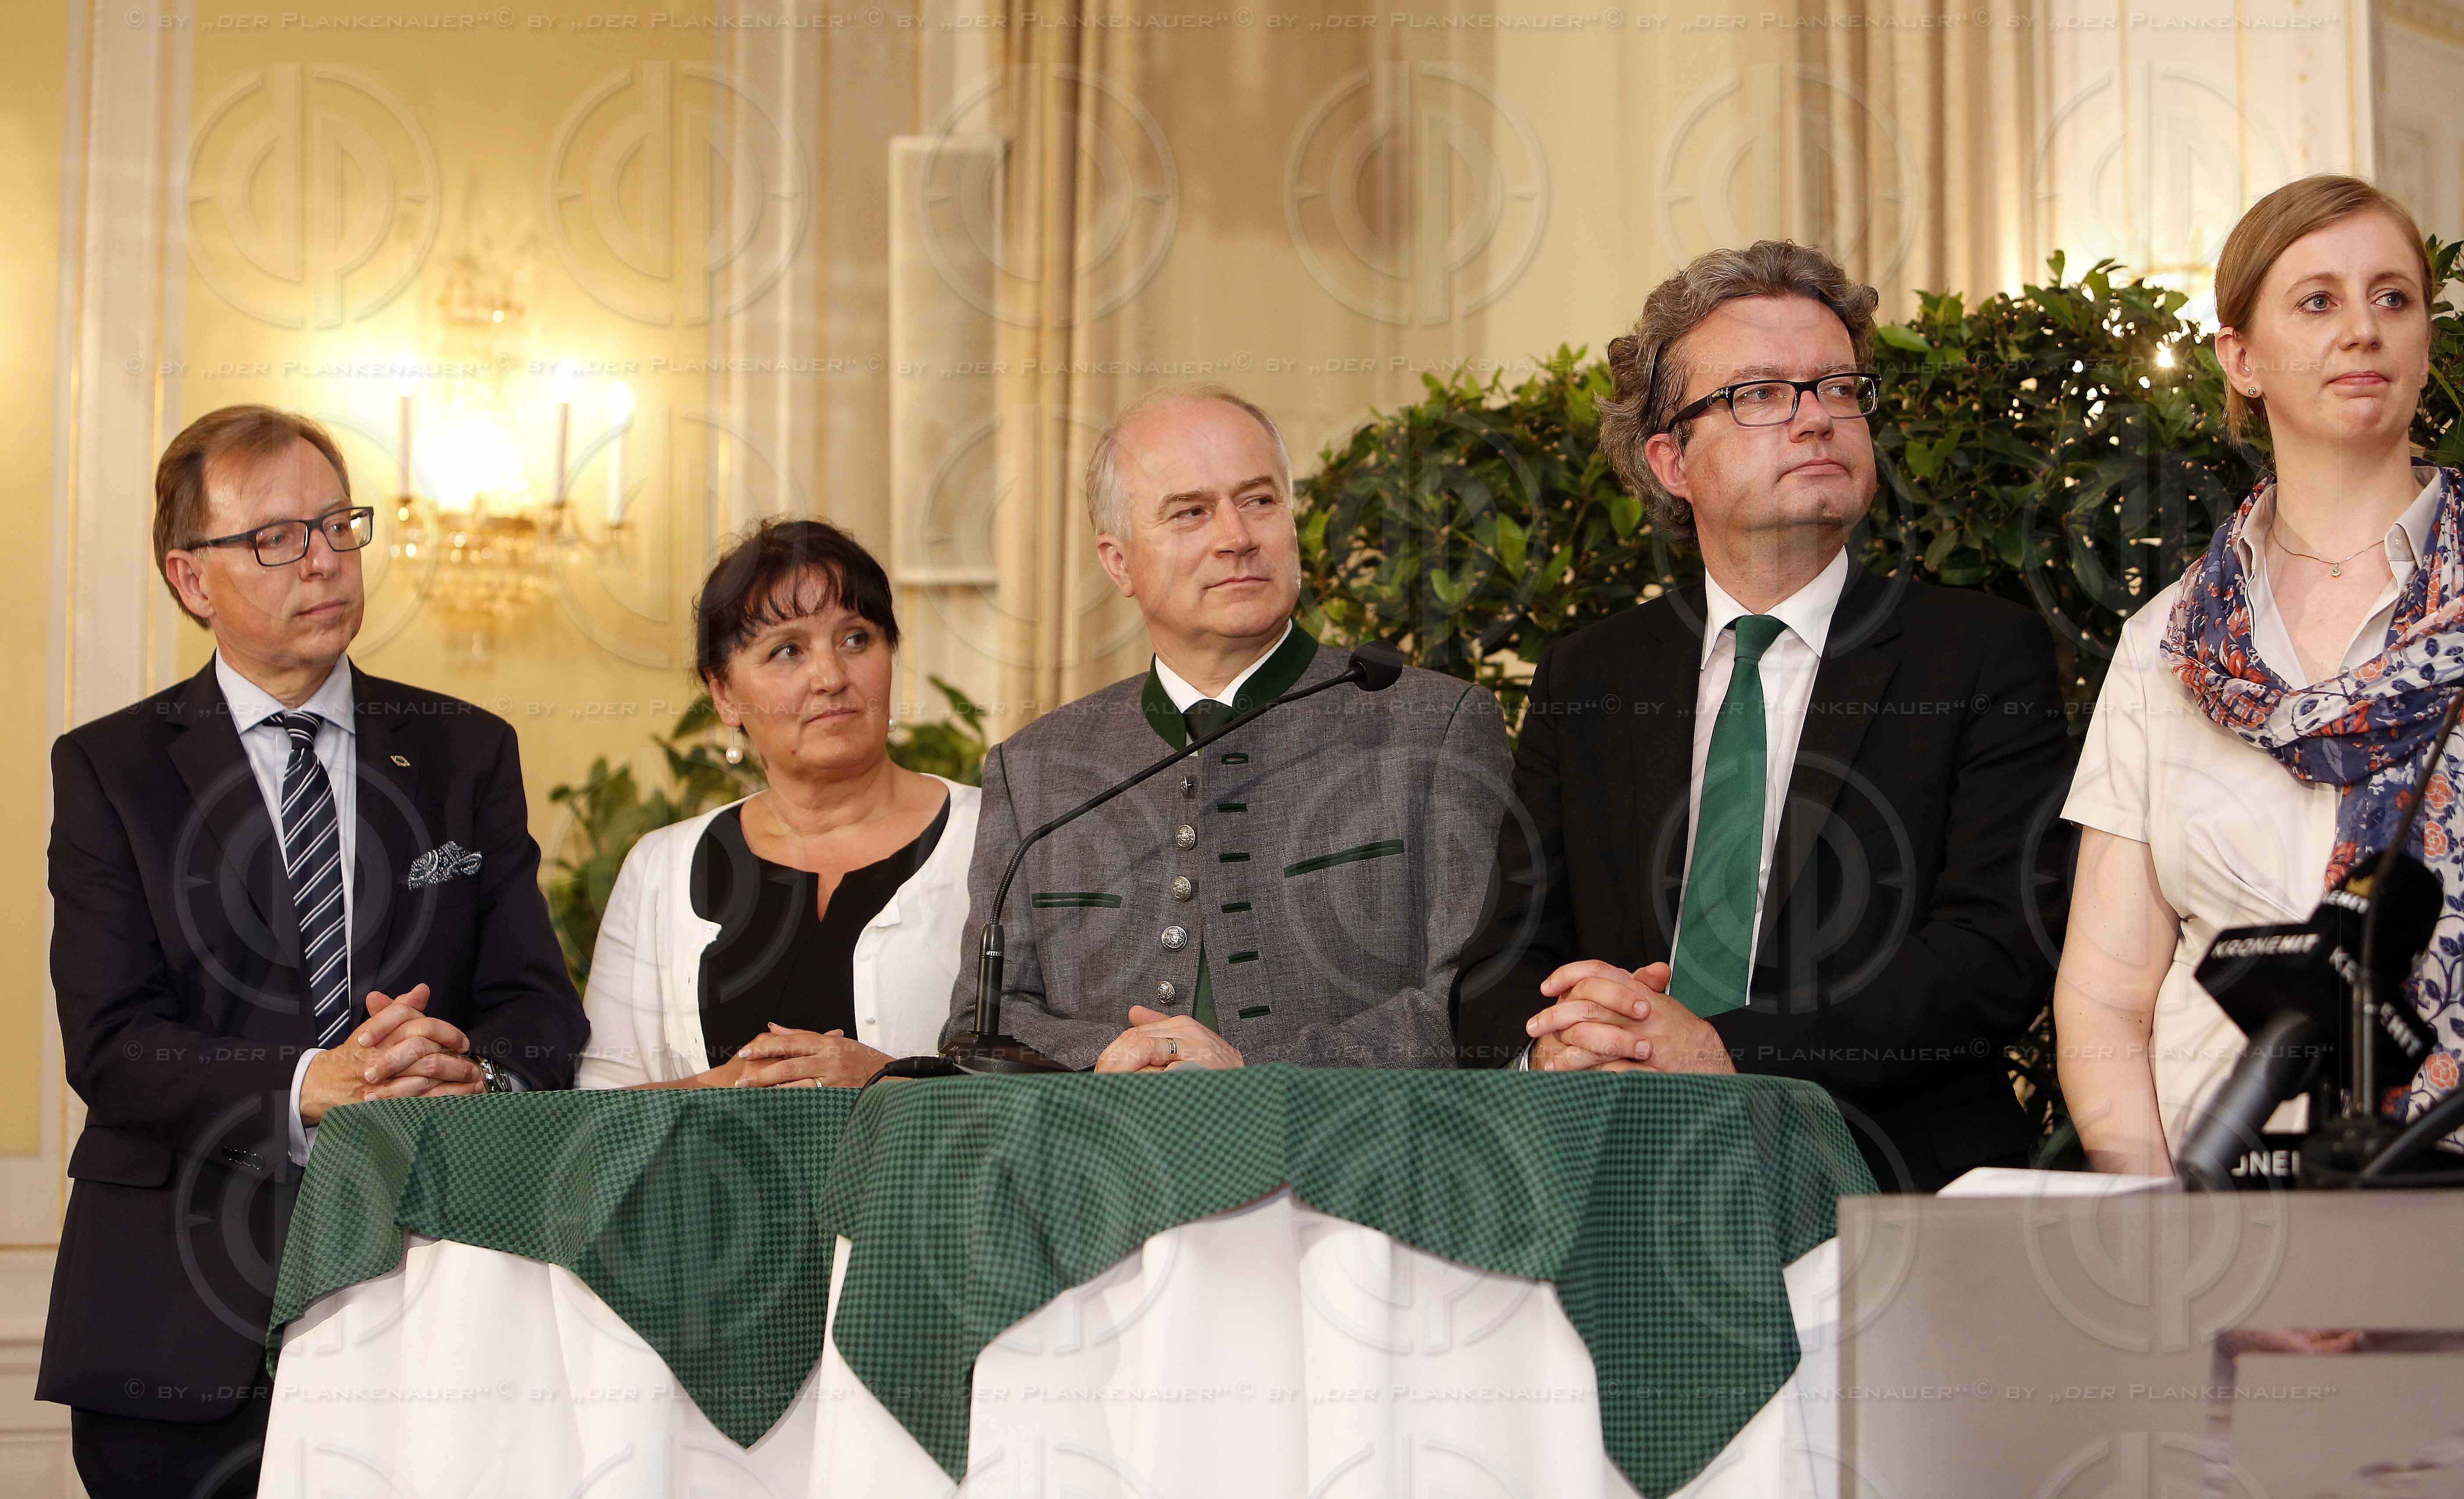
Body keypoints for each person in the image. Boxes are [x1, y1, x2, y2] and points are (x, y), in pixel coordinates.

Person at [42, 405, 589, 1498]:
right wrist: (308, 1084)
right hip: (182, 1318)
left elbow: (540, 1009)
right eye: (277, 538)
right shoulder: (112, 768)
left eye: (339, 524)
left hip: (437, 1306)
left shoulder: (466, 751)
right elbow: (111, 1042)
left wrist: (471, 1074)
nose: (326, 559)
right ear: (191, 578)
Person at [1451, 241, 2074, 1192]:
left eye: (1838, 388)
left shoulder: (1980, 653)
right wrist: (1556, 1046)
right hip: (1620, 1177)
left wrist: (1726, 1051)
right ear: (1671, 461)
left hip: (1889, 1180)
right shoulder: (1592, 674)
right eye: (1761, 394)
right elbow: (1508, 951)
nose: (1816, 417)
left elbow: (1995, 951)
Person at [2058, 176, 2464, 1174]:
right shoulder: (2168, 648)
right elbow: (2107, 995)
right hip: (2222, 1208)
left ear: (2425, 344)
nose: (2362, 329)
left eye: (2393, 297)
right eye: (2318, 301)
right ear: (2240, 359)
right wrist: (2160, 1223)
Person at [942, 384, 1511, 1072]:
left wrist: (1254, 1073)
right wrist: (1113, 1058)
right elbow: (981, 1026)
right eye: (1191, 512)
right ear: (1118, 562)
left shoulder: (1433, 725)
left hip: (1348, 1137)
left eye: (1260, 501)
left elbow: (1474, 1001)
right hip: (1106, 1138)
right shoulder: (1036, 765)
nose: (1237, 538)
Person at [578, 519, 979, 1088]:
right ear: (724, 694)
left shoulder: (996, 837)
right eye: (788, 651)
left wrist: (888, 1084)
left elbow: (1058, 1084)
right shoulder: (659, 869)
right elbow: (596, 1111)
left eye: (856, 639)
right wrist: (726, 1085)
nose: (830, 677)